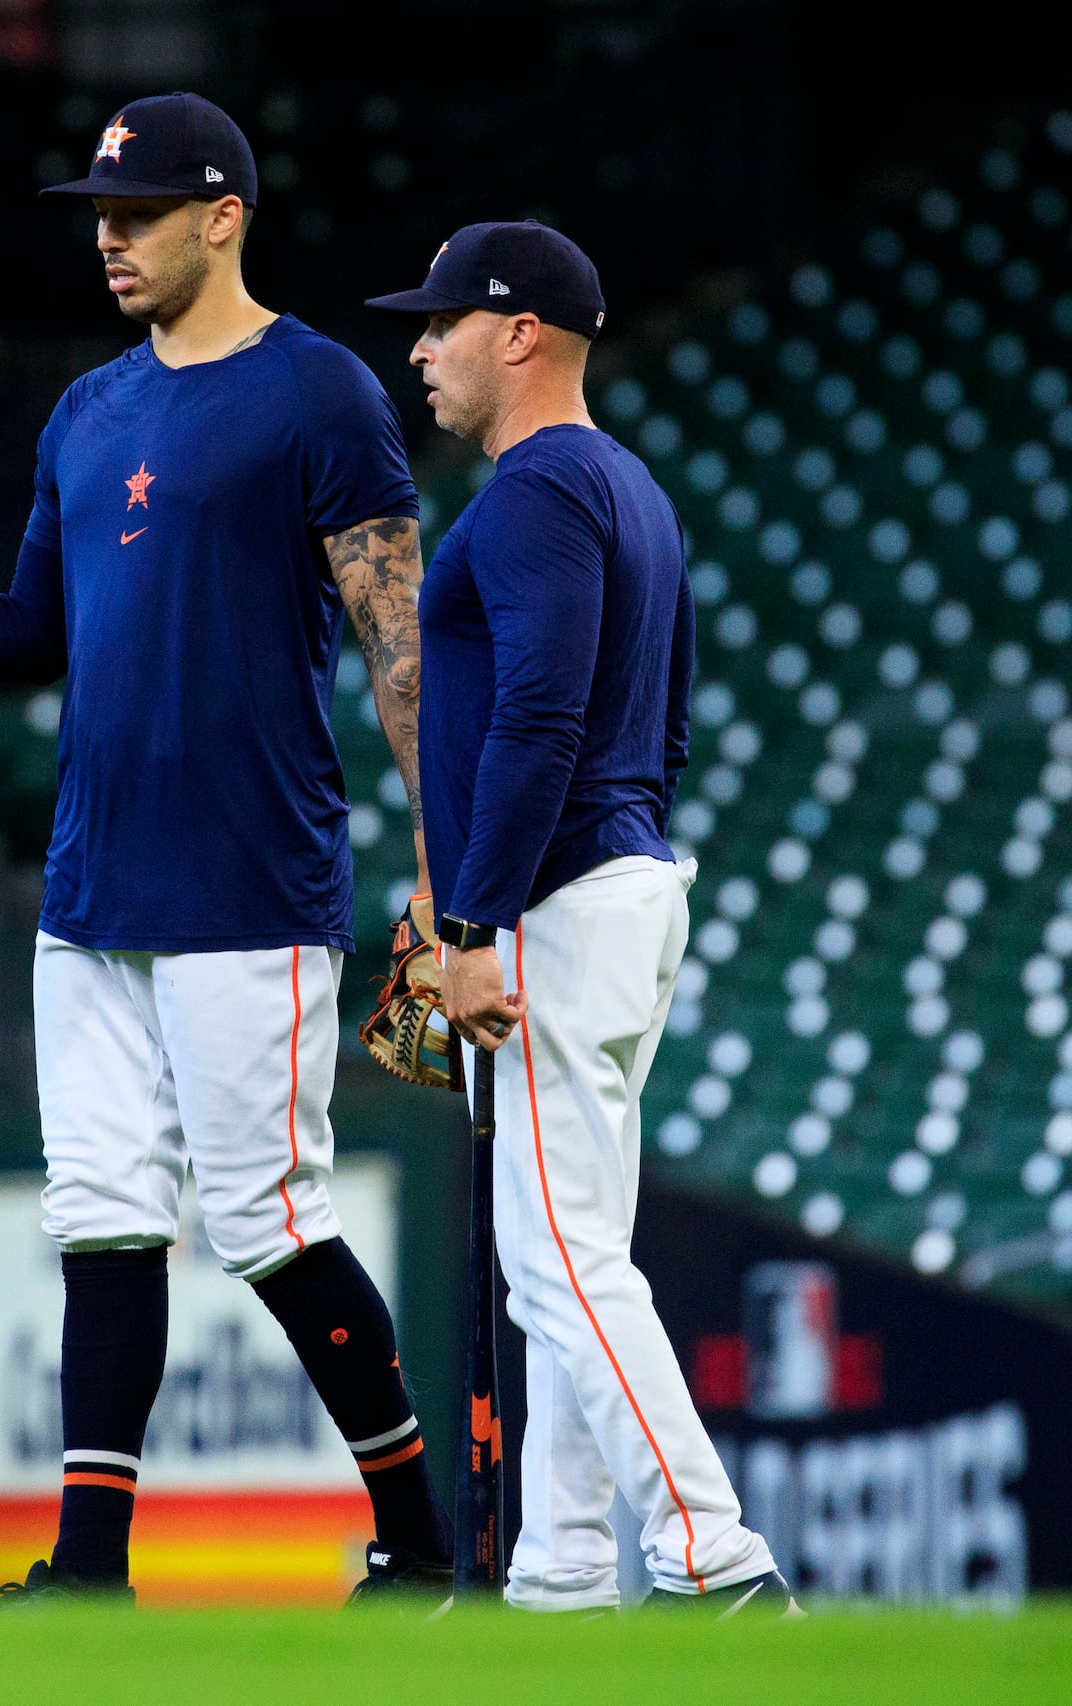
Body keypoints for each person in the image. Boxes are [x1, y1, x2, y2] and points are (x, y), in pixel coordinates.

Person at [0, 93, 451, 1603]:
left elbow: (400, 638)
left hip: (248, 879)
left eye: (137, 212)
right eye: (97, 212)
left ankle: (421, 1538)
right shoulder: (86, 410)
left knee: (271, 1223)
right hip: (90, 887)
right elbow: (40, 629)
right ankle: (88, 1565)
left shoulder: (322, 392)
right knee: (103, 1221)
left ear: (225, 217)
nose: (108, 236)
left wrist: (447, 868)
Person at [365, 221, 799, 1616]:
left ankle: (714, 1555)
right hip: (618, 883)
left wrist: (477, 921)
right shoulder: (632, 488)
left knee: (555, 1258)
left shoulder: (542, 485)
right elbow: (658, 729)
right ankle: (557, 1576)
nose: (419, 347)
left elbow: (543, 711)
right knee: (567, 1251)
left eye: (442, 322)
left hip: (555, 907)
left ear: (520, 332)